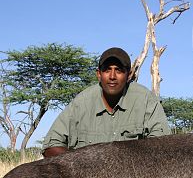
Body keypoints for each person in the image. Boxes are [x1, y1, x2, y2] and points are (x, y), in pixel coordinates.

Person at [42, 47, 171, 157]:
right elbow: (50, 147)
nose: (112, 76)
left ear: (129, 75)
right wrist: (81, 164)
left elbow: (163, 148)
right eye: (107, 70)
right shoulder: (81, 103)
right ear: (99, 74)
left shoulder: (146, 100)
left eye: (119, 70)